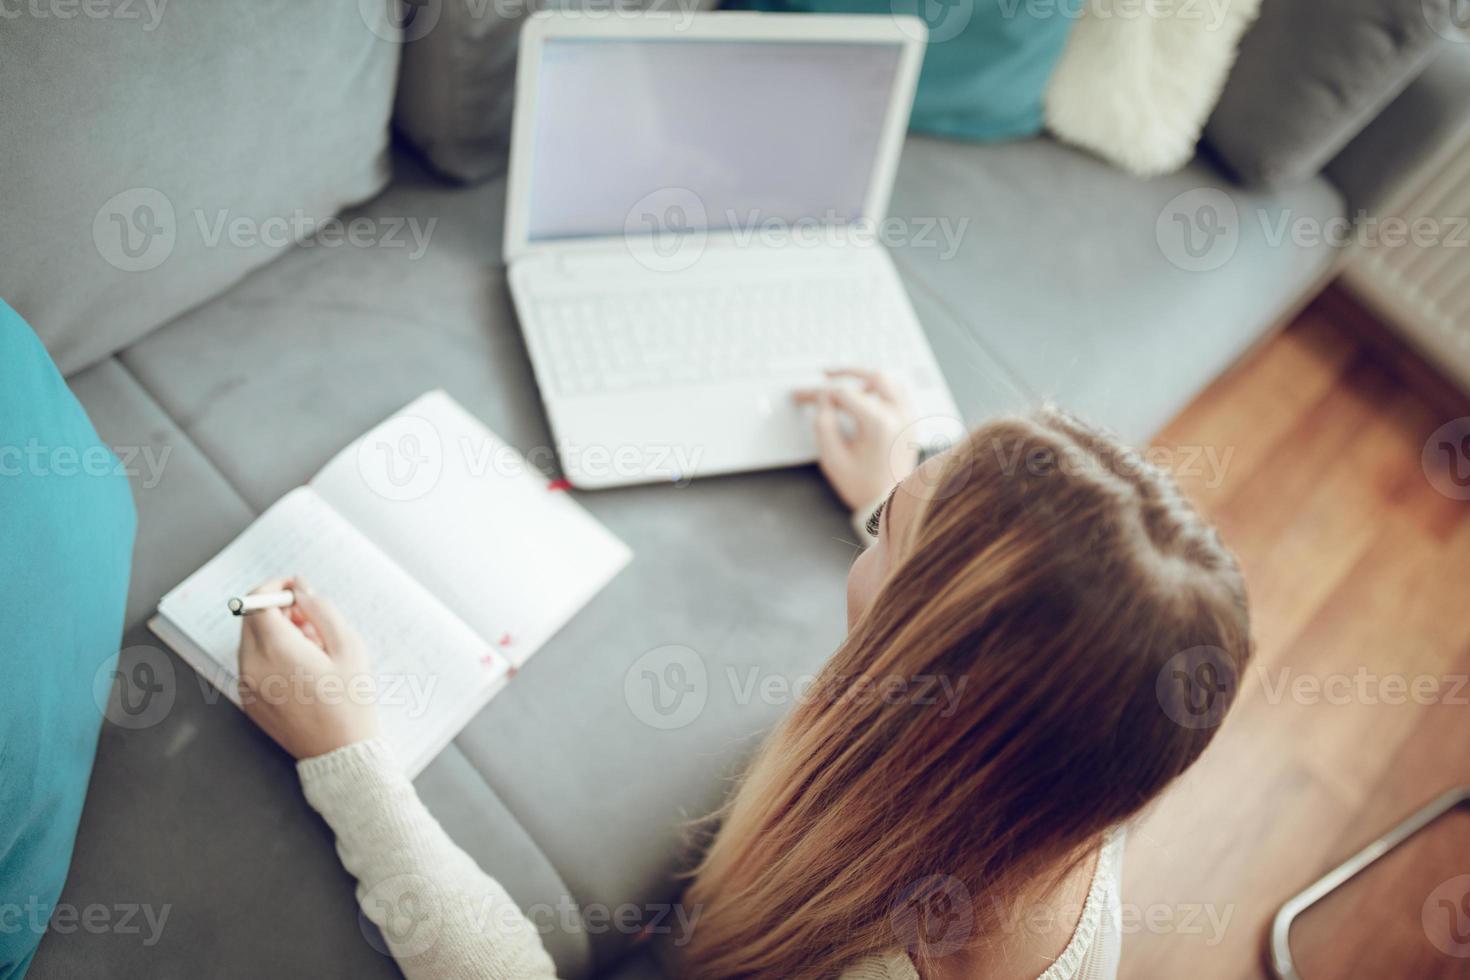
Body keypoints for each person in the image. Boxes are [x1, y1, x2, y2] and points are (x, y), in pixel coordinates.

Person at [236, 370, 1252, 980]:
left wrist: (348, 754)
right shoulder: (1085, 766)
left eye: (891, 532)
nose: (881, 519)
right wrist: (902, 489)